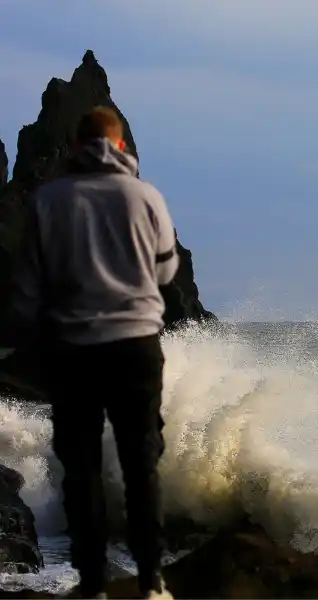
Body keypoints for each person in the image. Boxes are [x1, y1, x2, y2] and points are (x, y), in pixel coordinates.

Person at [4, 106, 178, 599]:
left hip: (74, 349)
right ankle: (150, 580)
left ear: (75, 148)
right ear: (122, 147)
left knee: (81, 469)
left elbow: (27, 290)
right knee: (140, 462)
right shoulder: (146, 197)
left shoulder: (49, 199)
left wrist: (26, 340)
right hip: (137, 348)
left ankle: (94, 585)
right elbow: (165, 273)